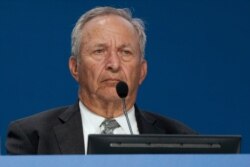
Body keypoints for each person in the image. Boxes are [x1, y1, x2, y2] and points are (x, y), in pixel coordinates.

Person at [6, 6, 196, 155]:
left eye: (125, 52)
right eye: (99, 51)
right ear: (75, 68)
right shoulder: (33, 137)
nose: (113, 64)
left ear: (142, 71)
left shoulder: (180, 138)